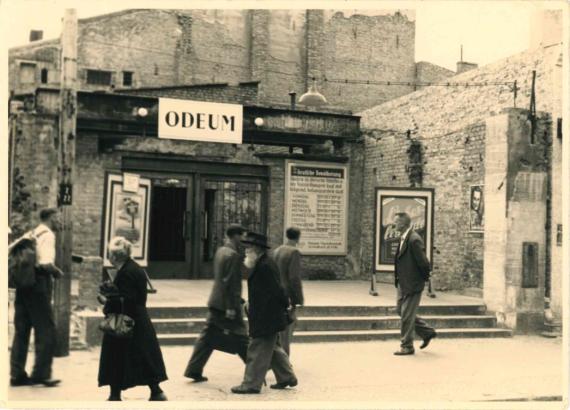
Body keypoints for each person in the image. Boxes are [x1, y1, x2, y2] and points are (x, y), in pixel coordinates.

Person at [97, 237, 168, 401]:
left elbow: (127, 299)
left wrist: (106, 300)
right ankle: (155, 390)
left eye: (110, 254)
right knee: (143, 357)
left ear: (115, 256)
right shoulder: (134, 268)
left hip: (125, 322)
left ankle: (115, 395)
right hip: (139, 321)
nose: (109, 257)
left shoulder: (127, 272)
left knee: (116, 357)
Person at [231, 232, 297, 394]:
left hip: (266, 316)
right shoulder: (261, 264)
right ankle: (287, 377)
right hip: (266, 314)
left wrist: (285, 305)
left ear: (258, 249)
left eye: (249, 248)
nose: (246, 252)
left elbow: (277, 290)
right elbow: (264, 290)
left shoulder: (265, 265)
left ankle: (251, 384)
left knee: (257, 348)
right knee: (273, 348)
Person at [184, 224, 249, 382]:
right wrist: (232, 306)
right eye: (242, 236)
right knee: (241, 337)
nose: (244, 239)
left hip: (216, 300)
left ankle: (193, 369)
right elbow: (232, 283)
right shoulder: (233, 255)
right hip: (226, 305)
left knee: (207, 338)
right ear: (235, 236)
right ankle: (258, 366)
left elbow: (222, 279)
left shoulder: (221, 251)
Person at [10, 208, 64, 387]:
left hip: (23, 285)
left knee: (22, 330)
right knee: (46, 329)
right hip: (39, 285)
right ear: (50, 218)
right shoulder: (48, 234)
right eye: (57, 217)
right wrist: (57, 272)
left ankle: (17, 374)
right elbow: (46, 264)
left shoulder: (32, 232)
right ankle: (41, 374)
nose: (59, 221)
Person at [393, 212, 436, 355]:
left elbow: (424, 263)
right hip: (403, 283)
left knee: (406, 314)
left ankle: (407, 346)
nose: (394, 225)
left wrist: (424, 279)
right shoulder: (403, 237)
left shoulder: (414, 239)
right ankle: (427, 332)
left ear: (404, 224)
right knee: (401, 310)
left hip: (412, 283)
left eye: (396, 222)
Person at [271, 227, 304, 356]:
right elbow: (294, 277)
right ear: (298, 237)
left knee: (280, 330)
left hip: (276, 293)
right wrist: (298, 298)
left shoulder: (277, 250)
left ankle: (278, 358)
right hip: (288, 295)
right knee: (287, 330)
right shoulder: (294, 252)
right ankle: (284, 361)